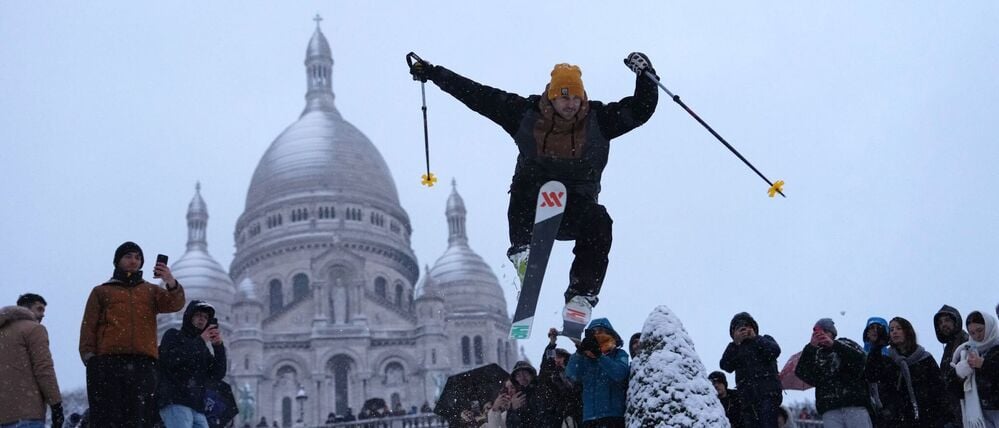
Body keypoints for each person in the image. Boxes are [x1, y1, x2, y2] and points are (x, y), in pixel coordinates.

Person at [408, 52, 659, 313]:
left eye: (576, 97)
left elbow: (640, 110)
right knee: (527, 177)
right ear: (552, 96)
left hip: (574, 211)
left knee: (600, 220)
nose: (571, 104)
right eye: (564, 96)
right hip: (533, 208)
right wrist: (434, 73)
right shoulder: (525, 114)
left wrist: (646, 76)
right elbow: (477, 95)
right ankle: (523, 251)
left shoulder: (599, 119)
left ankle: (581, 295)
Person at [79, 241, 186, 427]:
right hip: (109, 363)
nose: (133, 261)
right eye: (128, 256)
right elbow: (88, 328)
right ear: (118, 260)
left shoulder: (150, 291)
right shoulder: (101, 291)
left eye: (138, 257)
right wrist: (90, 359)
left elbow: (175, 303)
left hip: (143, 364)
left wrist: (170, 280)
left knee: (140, 419)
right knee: (108, 418)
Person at [864, 316, 953, 427]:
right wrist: (877, 346)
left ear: (907, 331)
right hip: (897, 420)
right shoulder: (888, 360)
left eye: (898, 328)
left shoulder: (924, 358)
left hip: (928, 417)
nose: (895, 332)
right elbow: (871, 375)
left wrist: (947, 418)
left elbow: (939, 389)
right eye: (891, 330)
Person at [157, 300, 228, 428]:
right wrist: (200, 341)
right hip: (175, 401)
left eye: (206, 317)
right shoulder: (173, 335)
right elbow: (173, 361)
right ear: (189, 316)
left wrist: (218, 347)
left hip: (197, 407)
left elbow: (217, 374)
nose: (202, 319)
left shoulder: (203, 349)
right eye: (198, 315)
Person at [793, 318, 872, 428]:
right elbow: (802, 372)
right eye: (816, 333)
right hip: (829, 407)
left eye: (825, 332)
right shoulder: (814, 354)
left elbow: (861, 360)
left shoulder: (845, 343)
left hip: (854, 403)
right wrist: (811, 347)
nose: (821, 335)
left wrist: (834, 345)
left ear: (832, 333)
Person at [0, 301, 64, 428]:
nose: (43, 315)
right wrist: (56, 405)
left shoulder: (3, 332)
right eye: (39, 309)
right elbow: (44, 369)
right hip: (27, 414)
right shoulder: (33, 329)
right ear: (25, 308)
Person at [719, 312, 782, 428]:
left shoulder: (764, 339)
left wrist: (756, 338)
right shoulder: (734, 348)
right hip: (746, 399)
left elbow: (775, 351)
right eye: (739, 328)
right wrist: (736, 344)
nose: (744, 330)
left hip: (768, 394)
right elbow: (725, 365)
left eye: (747, 326)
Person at [566, 318, 629, 427]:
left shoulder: (619, 353)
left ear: (610, 333)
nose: (597, 334)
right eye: (593, 332)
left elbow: (619, 374)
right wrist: (579, 352)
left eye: (600, 331)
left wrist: (599, 356)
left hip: (613, 417)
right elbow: (571, 374)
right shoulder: (584, 358)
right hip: (589, 418)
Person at [947, 310, 999, 427]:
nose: (977, 336)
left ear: (989, 325)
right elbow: (953, 391)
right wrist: (959, 374)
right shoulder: (965, 351)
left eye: (980, 330)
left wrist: (984, 365)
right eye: (972, 332)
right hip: (979, 415)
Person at [537, 328, 583, 427]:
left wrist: (574, 338)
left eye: (560, 357)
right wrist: (552, 342)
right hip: (555, 419)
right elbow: (547, 362)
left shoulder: (574, 374)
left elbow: (582, 356)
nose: (557, 360)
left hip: (575, 417)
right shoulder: (549, 377)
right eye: (555, 358)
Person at [935, 304, 969, 426]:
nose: (943, 324)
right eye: (940, 322)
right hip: (954, 409)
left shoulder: (966, 341)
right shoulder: (948, 347)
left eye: (947, 320)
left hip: (967, 403)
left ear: (956, 321)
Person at [862, 317, 891, 426]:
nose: (875, 330)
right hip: (867, 408)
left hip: (887, 407)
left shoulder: (893, 355)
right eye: (872, 328)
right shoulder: (860, 354)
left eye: (879, 328)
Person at [506, 360, 541, 427]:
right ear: (515, 379)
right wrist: (513, 409)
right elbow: (510, 425)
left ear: (532, 375)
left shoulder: (541, 390)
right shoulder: (517, 397)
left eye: (525, 373)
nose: (522, 377)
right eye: (518, 375)